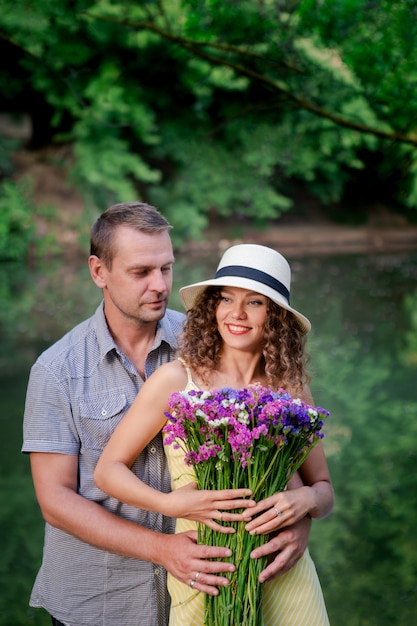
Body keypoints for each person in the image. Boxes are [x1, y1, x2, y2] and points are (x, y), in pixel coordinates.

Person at [22, 204, 312, 626]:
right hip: (101, 603)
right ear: (98, 271)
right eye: (141, 272)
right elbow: (56, 501)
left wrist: (296, 525)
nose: (158, 285)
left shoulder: (216, 341)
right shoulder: (57, 370)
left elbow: (281, 457)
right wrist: (162, 548)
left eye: (166, 268)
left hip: (207, 598)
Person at [94, 243, 334, 625]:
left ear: (276, 316)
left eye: (255, 302)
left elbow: (323, 488)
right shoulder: (176, 380)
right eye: (226, 299)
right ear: (212, 306)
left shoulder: (289, 390)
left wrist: (304, 503)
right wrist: (171, 505)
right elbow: (107, 471)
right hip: (205, 572)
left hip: (283, 571)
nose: (236, 314)